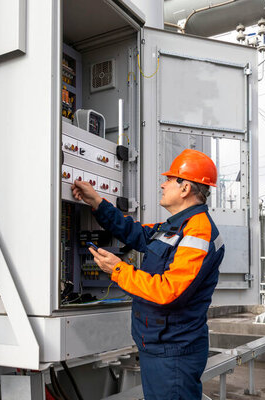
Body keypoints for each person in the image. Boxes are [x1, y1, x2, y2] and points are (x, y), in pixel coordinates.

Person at [71, 149, 225, 399]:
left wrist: (117, 269)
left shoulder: (198, 232)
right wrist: (97, 202)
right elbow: (138, 234)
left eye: (170, 179)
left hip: (173, 351)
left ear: (185, 188)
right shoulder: (177, 225)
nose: (163, 184)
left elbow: (168, 291)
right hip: (159, 345)